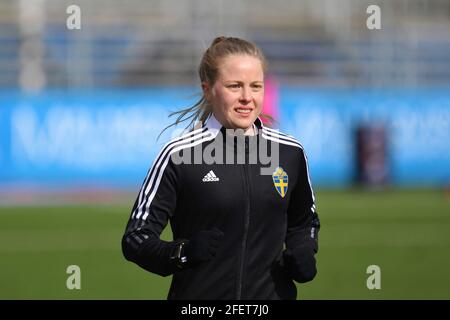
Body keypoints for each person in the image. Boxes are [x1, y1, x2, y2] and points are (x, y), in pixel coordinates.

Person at [121, 36, 321, 300]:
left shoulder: (290, 152)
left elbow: (304, 222)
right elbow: (136, 238)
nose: (247, 98)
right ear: (208, 89)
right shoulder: (180, 155)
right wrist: (183, 252)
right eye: (234, 86)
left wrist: (303, 248)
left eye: (256, 86)